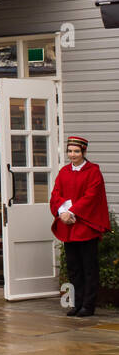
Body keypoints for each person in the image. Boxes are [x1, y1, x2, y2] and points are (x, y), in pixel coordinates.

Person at [49, 135, 111, 318]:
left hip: (85, 226)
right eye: (70, 151)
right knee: (74, 268)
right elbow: (56, 194)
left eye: (76, 151)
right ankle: (76, 303)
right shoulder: (64, 172)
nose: (72, 154)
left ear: (83, 152)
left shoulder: (93, 172)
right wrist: (62, 213)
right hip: (68, 225)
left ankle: (88, 305)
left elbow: (91, 196)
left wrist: (73, 212)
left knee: (89, 268)